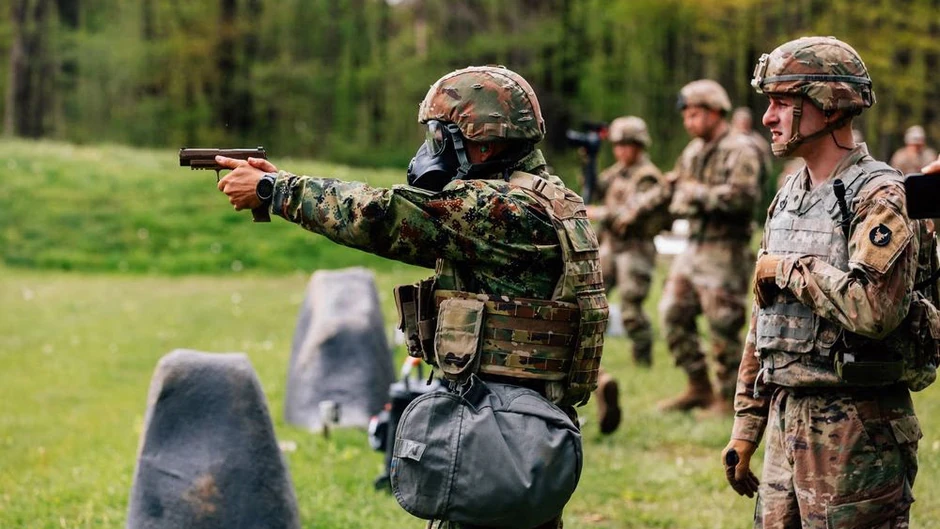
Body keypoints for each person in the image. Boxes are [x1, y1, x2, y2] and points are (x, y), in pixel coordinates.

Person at [217, 65, 607, 529]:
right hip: (522, 422)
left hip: (500, 427)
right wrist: (279, 180)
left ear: (481, 141)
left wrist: (273, 190)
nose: (432, 149)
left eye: (441, 135)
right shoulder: (545, 198)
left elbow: (382, 215)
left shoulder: (502, 209)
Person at [722, 36, 937, 528]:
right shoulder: (789, 196)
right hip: (785, 419)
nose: (767, 117)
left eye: (781, 103)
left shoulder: (881, 196)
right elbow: (765, 318)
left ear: (827, 105)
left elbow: (875, 312)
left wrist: (789, 269)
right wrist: (747, 425)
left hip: (858, 430)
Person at [657, 79, 761, 415]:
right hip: (693, 246)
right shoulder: (693, 151)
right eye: (686, 115)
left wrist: (695, 194)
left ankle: (730, 398)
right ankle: (698, 386)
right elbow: (678, 188)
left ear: (717, 112)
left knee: (723, 324)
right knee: (672, 312)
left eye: (696, 114)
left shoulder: (740, 149)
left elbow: (744, 197)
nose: (689, 122)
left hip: (724, 248)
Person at [586, 116, 670, 434]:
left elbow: (628, 213)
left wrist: (601, 213)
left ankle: (643, 360)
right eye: (617, 145)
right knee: (592, 299)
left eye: (627, 145)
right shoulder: (615, 175)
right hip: (610, 246)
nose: (621, 151)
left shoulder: (648, 178)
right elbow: (593, 191)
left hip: (635, 248)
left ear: (639, 145)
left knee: (632, 311)